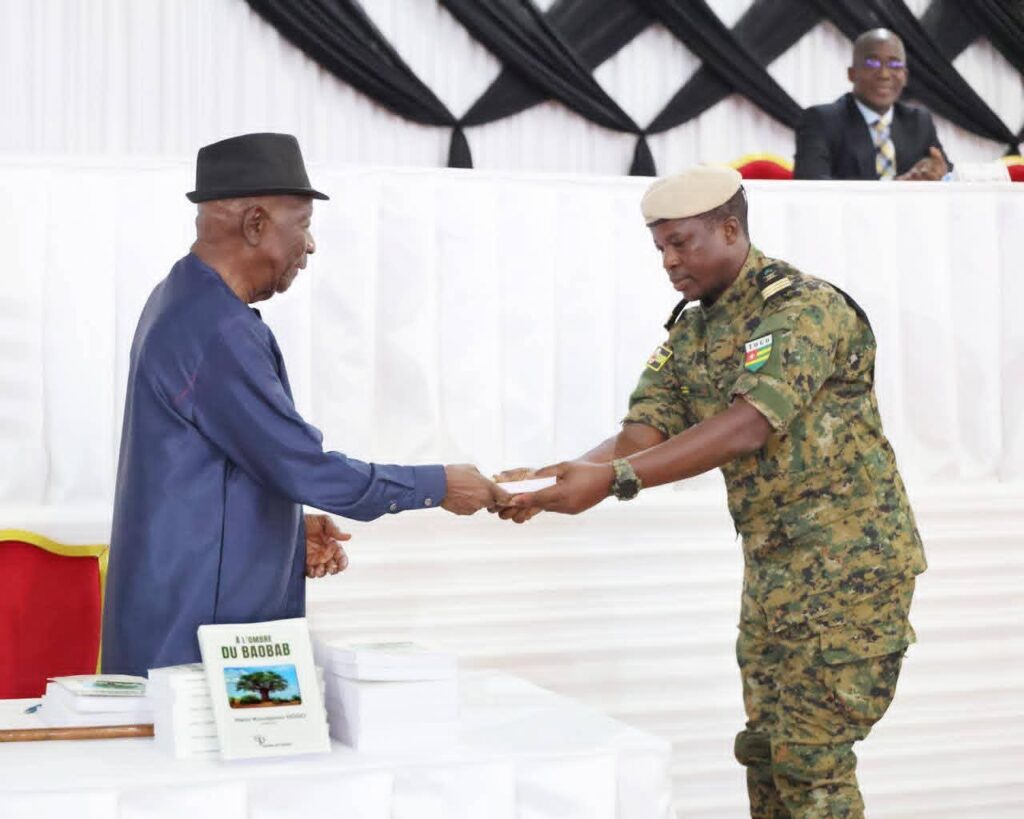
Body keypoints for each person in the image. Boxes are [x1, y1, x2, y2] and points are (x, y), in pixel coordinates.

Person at [503, 166, 927, 817]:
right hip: (775, 571)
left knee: (811, 762)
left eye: (681, 243)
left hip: (851, 568)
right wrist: (550, 481)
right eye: (660, 248)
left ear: (730, 229)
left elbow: (748, 424)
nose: (669, 262)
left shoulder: (801, 309)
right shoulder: (694, 331)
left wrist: (611, 480)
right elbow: (642, 433)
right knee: (766, 752)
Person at [102, 133, 507, 677]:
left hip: (177, 616)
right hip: (200, 643)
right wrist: (439, 485)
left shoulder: (179, 299)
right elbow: (302, 467)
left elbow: (224, 465)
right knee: (239, 738)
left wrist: (284, 532)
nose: (311, 245)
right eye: (304, 224)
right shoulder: (217, 330)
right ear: (255, 224)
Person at [794, 28, 949, 181]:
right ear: (852, 73)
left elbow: (948, 174)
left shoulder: (919, 122)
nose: (884, 74)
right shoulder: (821, 120)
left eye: (895, 64)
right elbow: (812, 184)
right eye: (872, 63)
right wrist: (898, 188)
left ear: (905, 76)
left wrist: (937, 172)